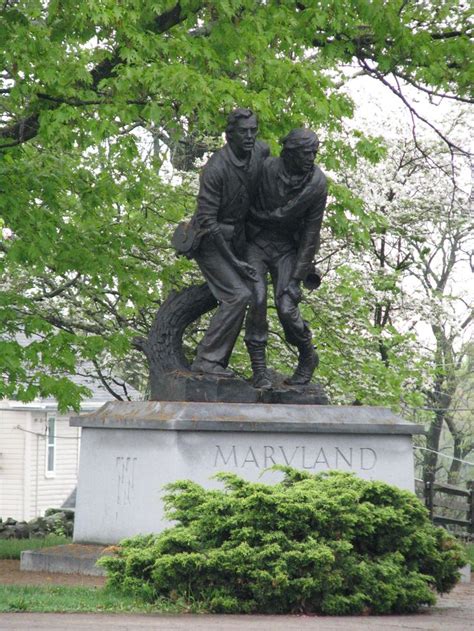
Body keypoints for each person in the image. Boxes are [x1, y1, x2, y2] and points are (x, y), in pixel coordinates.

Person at [173, 108, 270, 376]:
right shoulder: (215, 169)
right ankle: (208, 361)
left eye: (253, 130)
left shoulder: (260, 152)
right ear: (229, 135)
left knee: (259, 293)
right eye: (243, 132)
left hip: (241, 237)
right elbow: (208, 223)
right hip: (211, 241)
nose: (250, 136)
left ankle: (259, 369)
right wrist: (236, 264)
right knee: (238, 295)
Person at [244, 128, 327, 388]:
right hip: (257, 241)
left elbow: (311, 235)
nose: (311, 158)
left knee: (287, 308)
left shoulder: (317, 184)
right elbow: (242, 202)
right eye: (306, 153)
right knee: (256, 298)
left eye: (314, 153)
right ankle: (259, 369)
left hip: (287, 249)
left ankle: (307, 355)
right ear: (289, 152)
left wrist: (297, 279)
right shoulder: (266, 169)